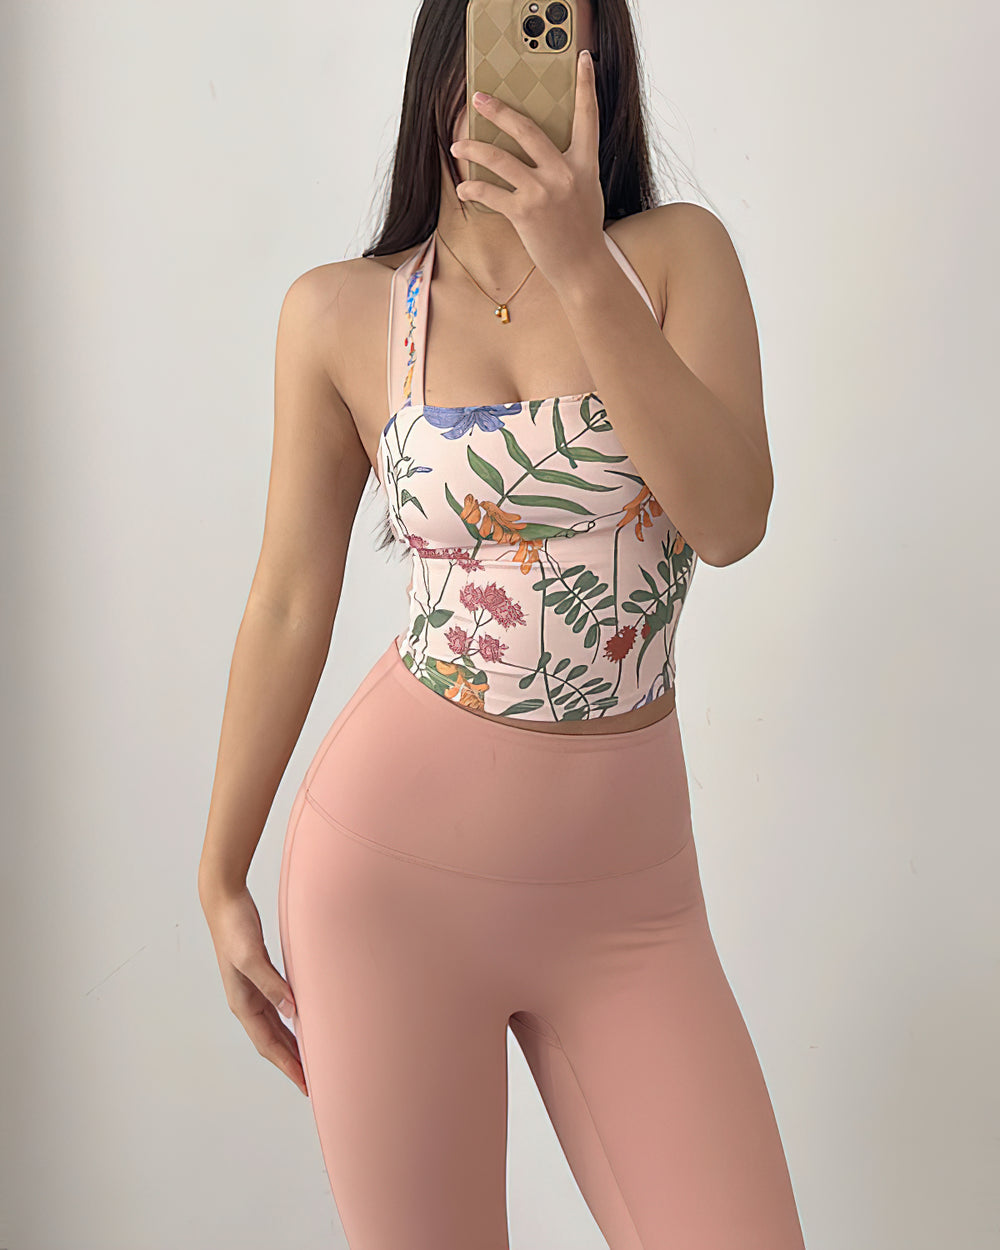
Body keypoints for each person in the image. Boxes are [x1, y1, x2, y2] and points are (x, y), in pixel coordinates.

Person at [198, 1, 807, 1245]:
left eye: (559, 36)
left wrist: (578, 262)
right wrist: (219, 871)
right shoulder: (338, 313)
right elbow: (288, 597)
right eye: (506, 30)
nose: (527, 70)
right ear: (447, 57)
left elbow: (730, 516)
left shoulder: (674, 259)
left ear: (600, 71)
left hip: (633, 906)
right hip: (390, 887)